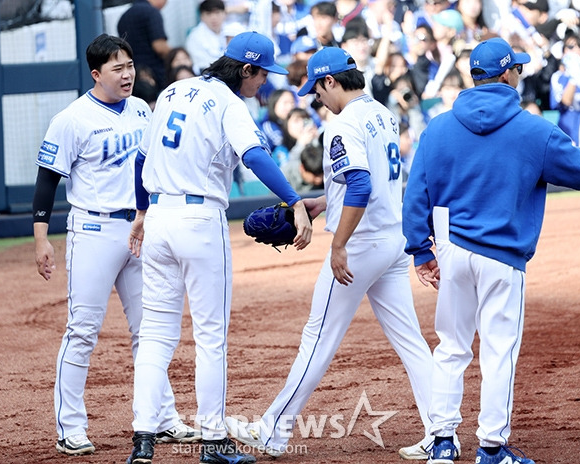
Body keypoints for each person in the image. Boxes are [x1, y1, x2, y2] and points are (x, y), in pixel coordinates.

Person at [224, 45, 441, 461]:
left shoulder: (343, 124)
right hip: (392, 240)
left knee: (317, 338)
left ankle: (272, 431)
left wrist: (338, 245)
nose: (315, 98)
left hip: (361, 246)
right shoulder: (382, 112)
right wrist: (327, 201)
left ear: (330, 80)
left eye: (316, 89)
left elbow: (360, 186)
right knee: (411, 341)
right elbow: (365, 182)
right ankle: (441, 431)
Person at [402, 37, 580, 464]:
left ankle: (442, 443)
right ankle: (491, 448)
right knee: (498, 352)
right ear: (508, 74)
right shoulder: (534, 130)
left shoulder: (437, 127)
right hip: (502, 257)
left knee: (451, 347)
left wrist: (420, 250)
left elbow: (415, 195)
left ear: (474, 76)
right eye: (517, 69)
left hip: (452, 251)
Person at [125, 31, 313, 464]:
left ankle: (142, 440)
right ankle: (213, 441)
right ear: (245, 69)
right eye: (262, 74)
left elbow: (140, 159)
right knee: (211, 337)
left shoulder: (173, 89)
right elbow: (255, 156)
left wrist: (140, 213)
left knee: (155, 334)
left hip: (158, 217)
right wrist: (294, 200)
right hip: (198, 221)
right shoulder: (230, 103)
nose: (264, 84)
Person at [32, 34, 199, 458]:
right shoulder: (72, 119)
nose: (127, 75)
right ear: (96, 74)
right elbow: (47, 178)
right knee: (83, 330)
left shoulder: (143, 108)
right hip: (93, 232)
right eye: (117, 69)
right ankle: (70, 427)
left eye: (129, 66)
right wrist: (41, 239)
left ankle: (162, 419)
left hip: (139, 231)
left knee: (151, 330)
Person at [117, 0, 171, 91]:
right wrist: (174, 57)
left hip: (133, 74)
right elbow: (160, 47)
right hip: (154, 75)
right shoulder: (152, 12)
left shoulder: (124, 16)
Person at [184, 0, 227, 74]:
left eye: (217, 13)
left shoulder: (233, 31)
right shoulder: (194, 37)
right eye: (208, 14)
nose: (213, 18)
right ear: (202, 17)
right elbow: (201, 65)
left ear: (224, 14)